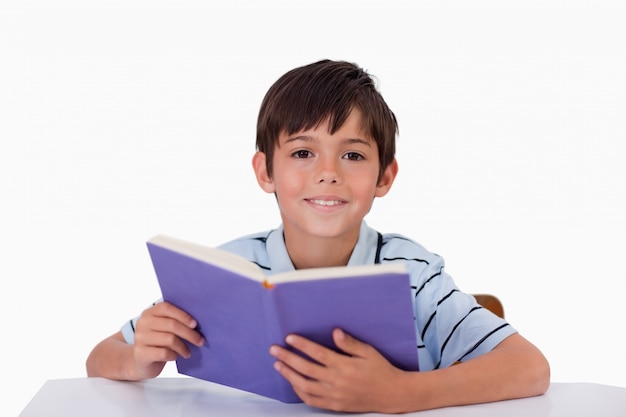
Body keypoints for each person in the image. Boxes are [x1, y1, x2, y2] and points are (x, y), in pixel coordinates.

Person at [86, 59, 550, 413]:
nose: (327, 174)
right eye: (304, 151)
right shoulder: (224, 272)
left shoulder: (412, 271)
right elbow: (101, 358)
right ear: (265, 170)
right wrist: (138, 360)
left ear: (384, 177)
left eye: (352, 155)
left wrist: (396, 393)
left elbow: (530, 368)